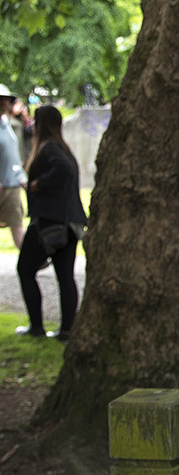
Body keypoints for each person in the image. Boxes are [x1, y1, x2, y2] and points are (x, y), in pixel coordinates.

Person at [15, 106, 86, 340]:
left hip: (49, 220)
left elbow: (61, 171)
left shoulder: (49, 149)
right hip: (70, 221)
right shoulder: (64, 150)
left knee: (25, 269)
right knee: (65, 276)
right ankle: (66, 330)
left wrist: (37, 185)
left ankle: (37, 326)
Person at [0, 90, 24, 249]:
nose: (8, 104)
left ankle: (29, 259)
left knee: (16, 222)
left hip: (12, 182)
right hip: (3, 184)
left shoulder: (6, 123)